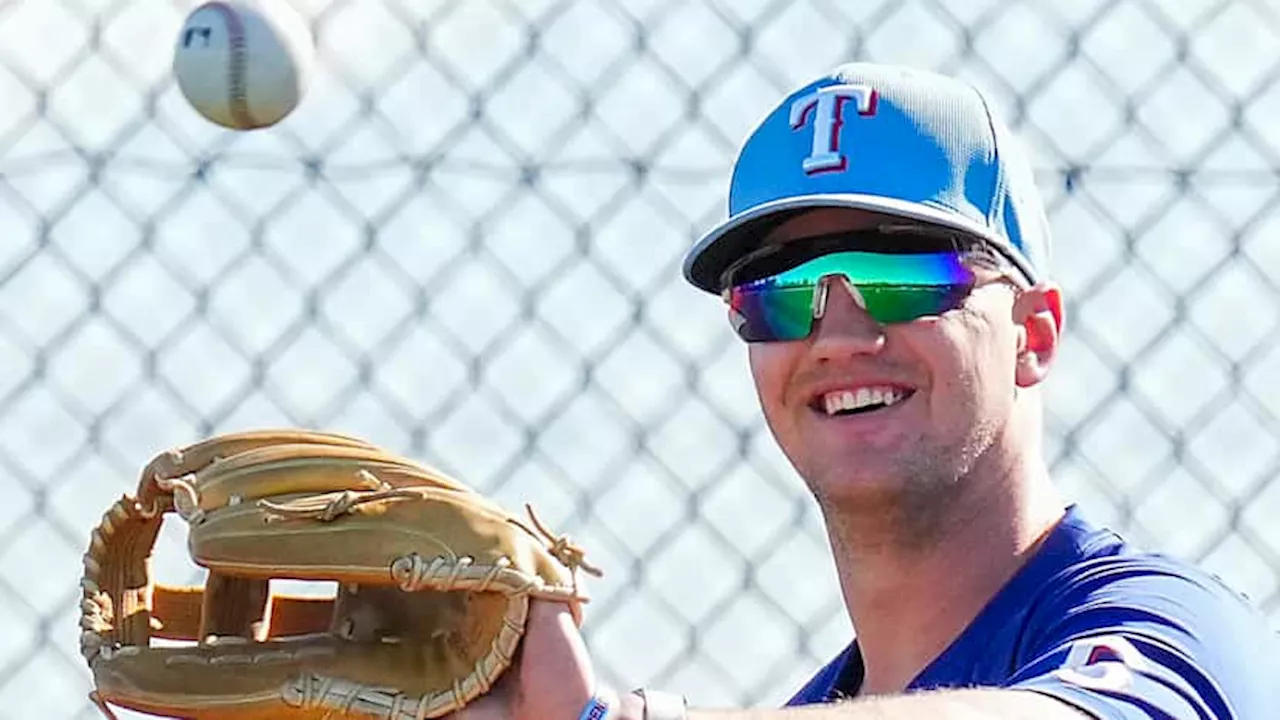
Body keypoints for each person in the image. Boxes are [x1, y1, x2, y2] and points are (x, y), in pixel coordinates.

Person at [451, 62, 1280, 720]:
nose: (841, 338)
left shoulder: (1172, 630)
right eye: (777, 292)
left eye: (902, 276)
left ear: (1034, 334)